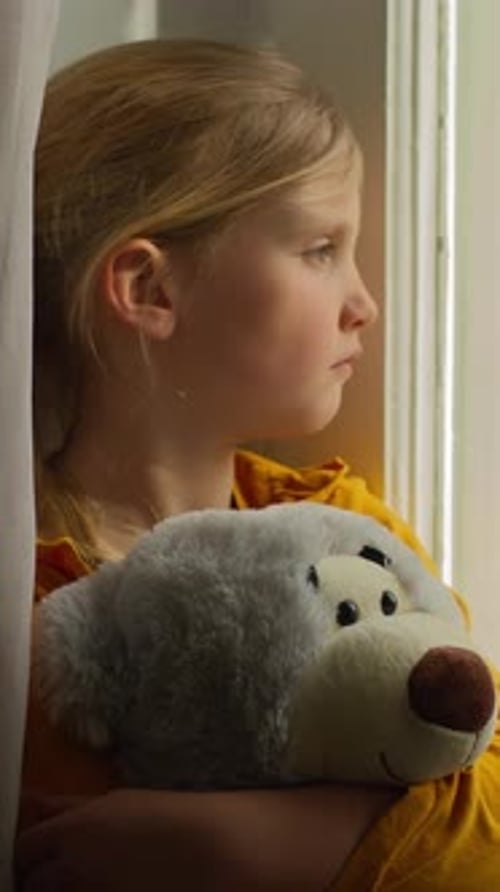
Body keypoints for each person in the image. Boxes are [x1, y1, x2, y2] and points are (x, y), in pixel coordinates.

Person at [15, 39, 500, 892]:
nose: (365, 303)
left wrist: (287, 840)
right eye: (321, 248)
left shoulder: (347, 532)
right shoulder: (33, 608)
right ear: (150, 291)